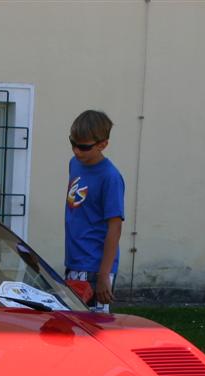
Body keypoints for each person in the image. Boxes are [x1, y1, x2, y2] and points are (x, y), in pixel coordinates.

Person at [64, 109, 125, 312]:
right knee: (71, 325)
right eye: (72, 143)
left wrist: (103, 275)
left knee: (91, 328)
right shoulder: (75, 164)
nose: (76, 151)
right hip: (74, 260)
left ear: (103, 144)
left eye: (83, 147)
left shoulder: (110, 177)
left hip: (94, 266)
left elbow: (114, 228)